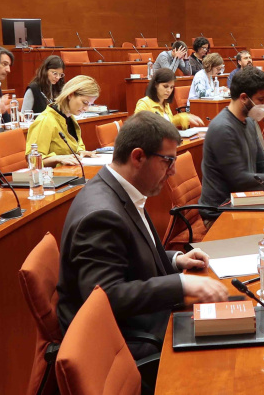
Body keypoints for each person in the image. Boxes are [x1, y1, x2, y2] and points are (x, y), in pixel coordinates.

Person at [56, 111, 229, 358]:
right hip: (124, 340)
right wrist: (180, 284)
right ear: (138, 157)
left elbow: (129, 255)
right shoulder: (101, 215)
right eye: (168, 161)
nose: (173, 171)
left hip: (141, 321)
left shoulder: (121, 190)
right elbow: (106, 297)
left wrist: (176, 260)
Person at [199, 67, 264, 221]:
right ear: (244, 98)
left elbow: (262, 163)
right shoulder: (223, 129)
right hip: (221, 212)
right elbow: (240, 181)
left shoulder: (249, 122)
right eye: (261, 100)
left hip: (245, 202)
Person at [25, 75, 99, 166]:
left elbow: (73, 147)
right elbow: (33, 161)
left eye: (90, 104)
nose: (86, 109)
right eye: (85, 102)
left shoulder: (70, 118)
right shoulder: (45, 120)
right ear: (70, 95)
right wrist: (58, 158)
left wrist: (80, 152)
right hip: (54, 174)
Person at [134, 68, 204, 129]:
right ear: (155, 85)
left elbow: (169, 124)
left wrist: (182, 118)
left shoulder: (165, 103)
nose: (169, 90)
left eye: (171, 87)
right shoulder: (144, 103)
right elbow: (139, 129)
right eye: (165, 86)